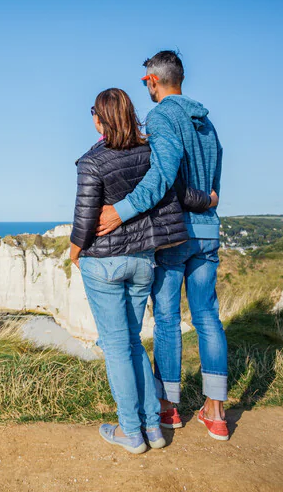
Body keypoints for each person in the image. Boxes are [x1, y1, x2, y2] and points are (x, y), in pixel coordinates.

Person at [96, 50, 229, 441]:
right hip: (208, 231)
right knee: (207, 316)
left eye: (145, 82)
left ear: (152, 80)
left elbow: (162, 175)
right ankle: (216, 413)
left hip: (175, 234)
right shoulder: (207, 122)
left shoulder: (160, 117)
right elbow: (213, 185)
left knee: (168, 318)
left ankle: (169, 409)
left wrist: (121, 211)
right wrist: (207, 201)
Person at [70, 87, 193, 454]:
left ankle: (130, 431)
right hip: (142, 261)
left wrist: (74, 253)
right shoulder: (149, 151)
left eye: (94, 111)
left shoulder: (92, 161)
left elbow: (85, 218)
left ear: (100, 118)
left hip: (104, 263)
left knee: (116, 346)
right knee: (132, 341)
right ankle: (153, 428)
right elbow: (167, 190)